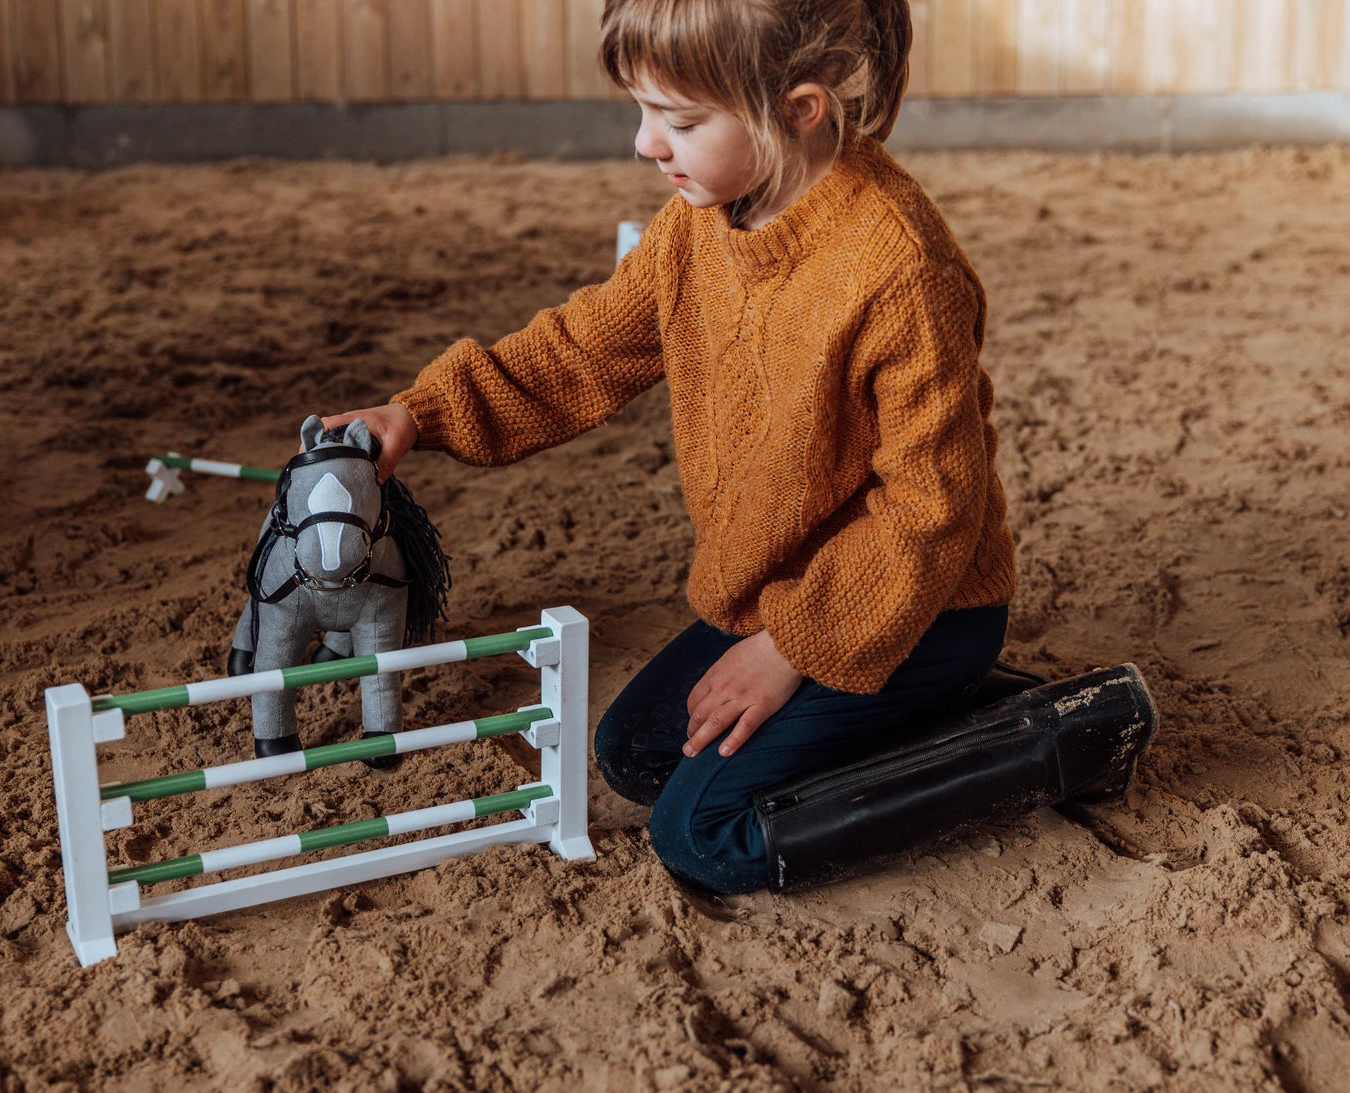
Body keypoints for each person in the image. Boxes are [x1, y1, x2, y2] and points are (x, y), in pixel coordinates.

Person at [312, 0, 1155, 894]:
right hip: (777, 588)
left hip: (923, 601)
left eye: (678, 120)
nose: (645, 144)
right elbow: (584, 349)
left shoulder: (901, 269)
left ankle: (1059, 735)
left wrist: (791, 649)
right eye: (642, 112)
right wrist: (422, 411)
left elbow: (930, 511)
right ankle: (946, 707)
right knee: (635, 754)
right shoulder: (697, 226)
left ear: (798, 110)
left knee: (705, 835)